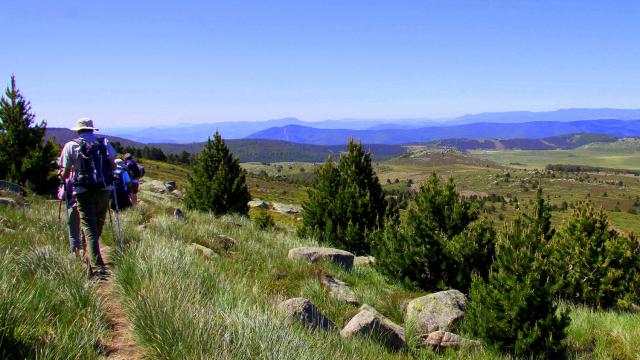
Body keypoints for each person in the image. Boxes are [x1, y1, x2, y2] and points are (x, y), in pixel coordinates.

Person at [59, 118, 116, 278]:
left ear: (78, 130)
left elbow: (66, 172)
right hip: (104, 189)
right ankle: (92, 254)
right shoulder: (104, 143)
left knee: (89, 228)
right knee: (97, 224)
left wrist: (61, 177)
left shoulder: (71, 146)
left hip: (83, 191)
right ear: (92, 130)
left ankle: (96, 265)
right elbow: (113, 166)